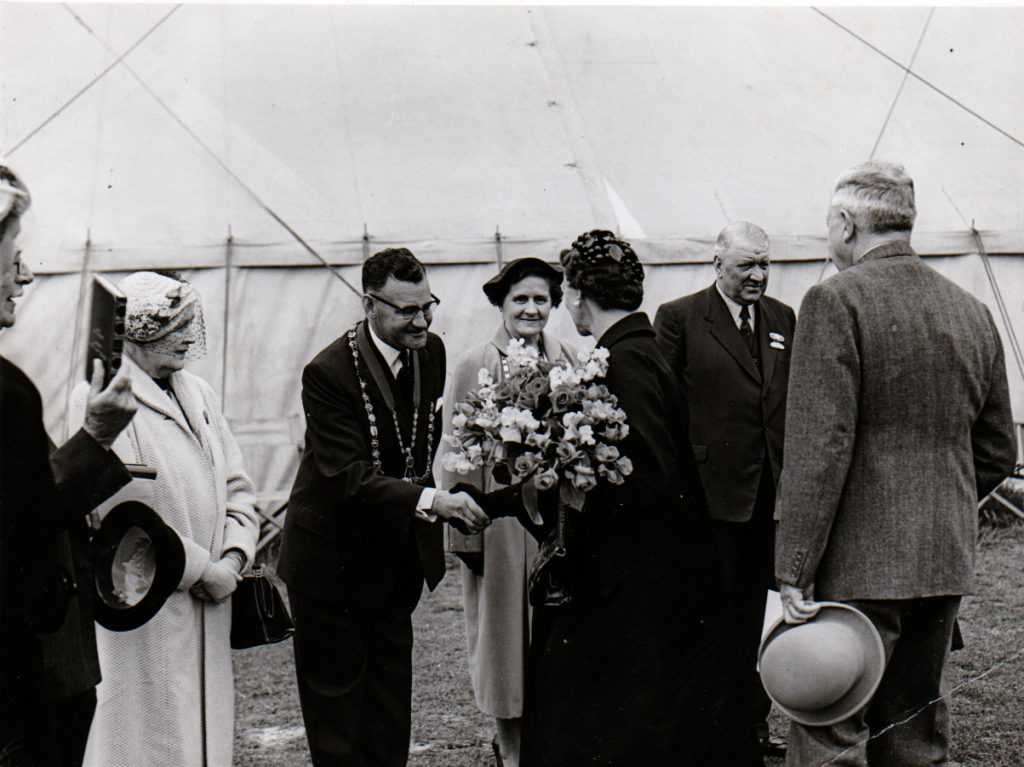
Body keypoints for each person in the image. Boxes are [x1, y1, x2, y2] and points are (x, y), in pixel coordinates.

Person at [459, 231, 763, 767]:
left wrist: (562, 510)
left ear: (575, 295)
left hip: (635, 588)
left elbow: (643, 481)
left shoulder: (626, 362)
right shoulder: (628, 352)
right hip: (647, 580)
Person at [775, 162, 1016, 766]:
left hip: (856, 564)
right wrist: (941, 501)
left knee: (830, 726)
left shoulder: (832, 300)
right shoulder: (970, 309)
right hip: (942, 559)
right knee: (914, 735)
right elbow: (997, 451)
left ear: (848, 223)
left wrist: (795, 566)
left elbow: (819, 451)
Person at [278, 247, 490, 767]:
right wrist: (432, 500)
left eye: (427, 305)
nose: (422, 320)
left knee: (390, 714)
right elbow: (347, 477)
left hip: (394, 563)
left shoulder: (432, 352)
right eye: (406, 310)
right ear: (369, 304)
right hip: (331, 567)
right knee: (338, 724)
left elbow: (419, 442)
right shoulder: (326, 373)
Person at [73, 271, 261, 767]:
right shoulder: (102, 398)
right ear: (136, 330)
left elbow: (238, 486)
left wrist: (236, 557)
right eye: (171, 326)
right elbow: (122, 514)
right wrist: (205, 570)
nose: (186, 338)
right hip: (148, 601)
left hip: (213, 597)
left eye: (188, 325)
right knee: (147, 737)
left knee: (202, 738)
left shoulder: (199, 392)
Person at [0, 163, 137, 767]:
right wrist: (96, 436)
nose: (24, 276)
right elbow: (25, 520)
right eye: (12, 258)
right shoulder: (7, 393)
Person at [653, 221, 795, 757]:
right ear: (718, 265)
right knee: (709, 612)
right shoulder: (681, 318)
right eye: (746, 266)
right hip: (710, 497)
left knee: (762, 614)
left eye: (764, 264)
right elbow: (664, 409)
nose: (757, 275)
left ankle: (749, 721)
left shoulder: (783, 318)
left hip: (770, 495)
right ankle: (705, 724)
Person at [440, 257, 576, 767]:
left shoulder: (569, 357)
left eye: (541, 299)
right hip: (498, 528)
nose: (531, 308)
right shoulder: (477, 361)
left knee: (554, 635)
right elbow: (455, 452)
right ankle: (512, 750)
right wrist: (466, 537)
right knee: (504, 642)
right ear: (501, 303)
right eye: (520, 299)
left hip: (555, 523)